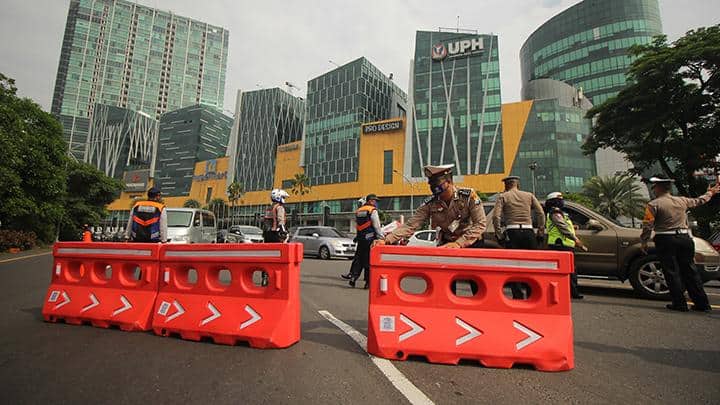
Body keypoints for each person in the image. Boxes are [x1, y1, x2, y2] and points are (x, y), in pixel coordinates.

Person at [374, 164, 487, 294]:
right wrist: (386, 240)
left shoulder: (468, 196)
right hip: (447, 245)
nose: (433, 187)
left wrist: (458, 244)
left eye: (436, 183)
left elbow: (480, 224)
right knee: (446, 287)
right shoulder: (430, 203)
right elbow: (411, 225)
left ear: (449, 182)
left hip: (471, 243)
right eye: (430, 184)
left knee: (477, 285)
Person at [641, 176, 720, 312]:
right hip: (685, 238)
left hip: (666, 239)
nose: (653, 190)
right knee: (690, 271)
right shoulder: (682, 200)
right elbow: (700, 200)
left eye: (654, 187)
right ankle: (702, 304)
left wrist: (644, 241)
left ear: (658, 188)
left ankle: (679, 303)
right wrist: (711, 192)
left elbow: (648, 225)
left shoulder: (653, 205)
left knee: (671, 271)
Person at [492, 176, 545, 299]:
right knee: (531, 265)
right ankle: (532, 293)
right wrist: (540, 231)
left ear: (506, 185)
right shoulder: (529, 195)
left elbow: (496, 217)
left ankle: (518, 294)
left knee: (513, 265)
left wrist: (499, 234)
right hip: (528, 231)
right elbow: (540, 213)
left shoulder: (503, 196)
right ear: (517, 184)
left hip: (512, 231)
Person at [545, 192, 587, 299]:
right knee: (568, 270)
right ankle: (572, 292)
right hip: (560, 244)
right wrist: (577, 240)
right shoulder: (555, 212)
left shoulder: (558, 213)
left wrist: (573, 226)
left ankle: (570, 292)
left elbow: (563, 225)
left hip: (563, 244)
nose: (561, 201)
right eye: (559, 200)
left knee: (568, 270)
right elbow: (563, 228)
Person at [346, 194, 384, 289]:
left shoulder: (359, 210)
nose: (375, 202)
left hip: (361, 238)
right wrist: (381, 237)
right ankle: (367, 282)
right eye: (375, 200)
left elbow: (358, 225)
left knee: (358, 258)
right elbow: (376, 226)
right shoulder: (372, 210)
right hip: (370, 238)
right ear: (370, 201)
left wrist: (358, 236)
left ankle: (353, 278)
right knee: (369, 260)